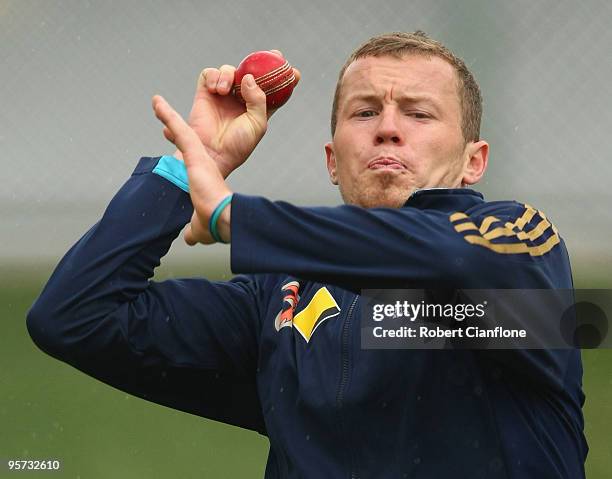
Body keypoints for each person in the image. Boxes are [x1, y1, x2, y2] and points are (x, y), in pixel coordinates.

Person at [28, 32, 587, 478]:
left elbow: (452, 263)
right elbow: (75, 317)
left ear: (474, 161)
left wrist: (235, 216)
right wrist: (188, 168)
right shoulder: (279, 301)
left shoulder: (523, 243)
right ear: (332, 160)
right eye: (365, 113)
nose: (388, 128)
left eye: (419, 114)